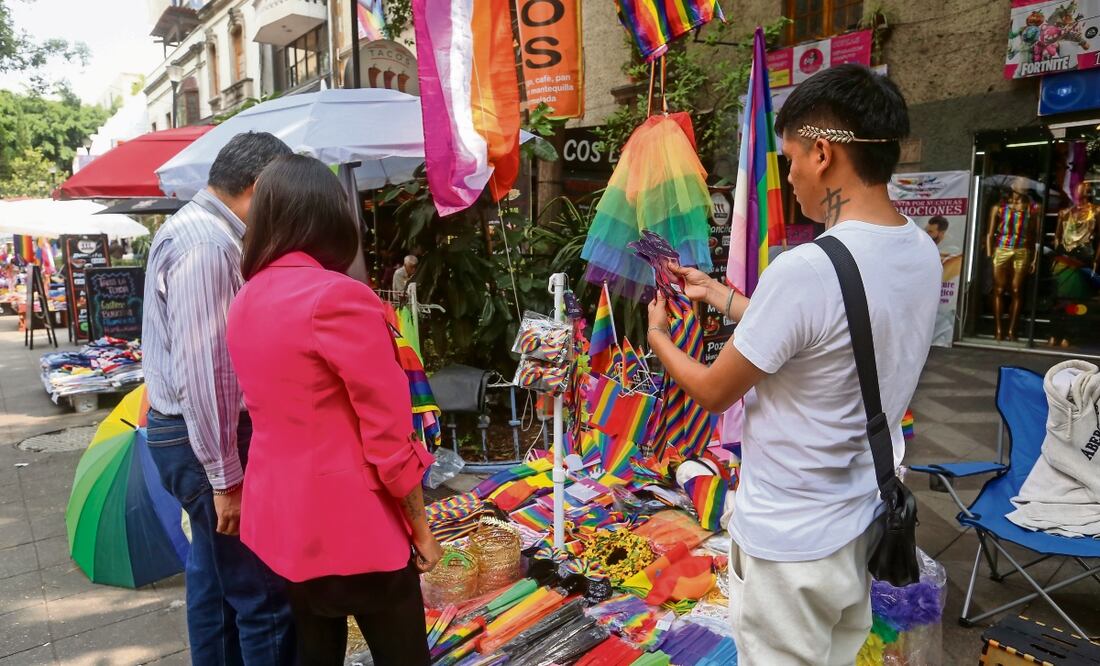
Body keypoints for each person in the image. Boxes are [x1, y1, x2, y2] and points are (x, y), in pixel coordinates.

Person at [646, 64, 940, 665]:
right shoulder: (920, 249)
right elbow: (833, 335)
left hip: (791, 541)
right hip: (861, 519)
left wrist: (658, 339)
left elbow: (711, 390)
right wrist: (722, 296)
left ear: (824, 154)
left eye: (792, 160)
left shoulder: (806, 269)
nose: (791, 177)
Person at [227, 155, 441, 666]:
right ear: (330, 216)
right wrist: (421, 529)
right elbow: (389, 435)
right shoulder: (336, 297)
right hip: (353, 521)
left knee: (316, 649)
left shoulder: (248, 297)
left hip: (287, 520)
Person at [142, 131, 296, 665]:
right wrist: (226, 479)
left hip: (189, 434)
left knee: (215, 578)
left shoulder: (195, 231)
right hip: (210, 438)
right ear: (257, 188)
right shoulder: (207, 244)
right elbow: (208, 377)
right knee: (263, 594)